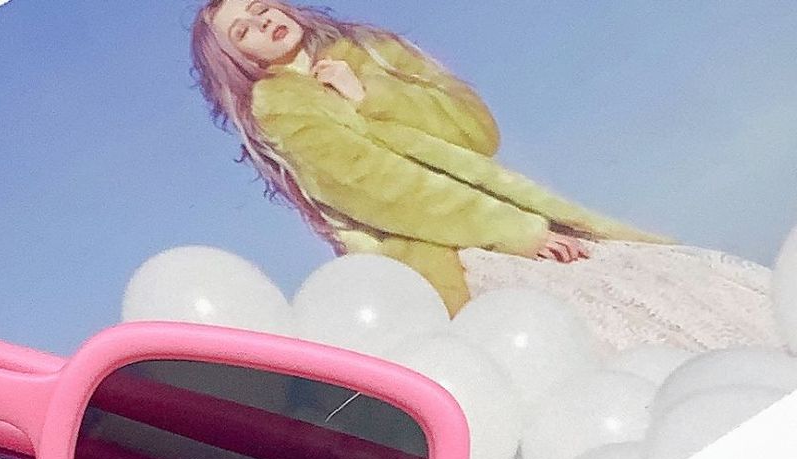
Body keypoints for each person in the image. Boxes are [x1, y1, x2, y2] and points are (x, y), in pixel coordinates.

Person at [188, 1, 777, 348]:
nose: (261, 20)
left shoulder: (372, 50)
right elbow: (375, 189)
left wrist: (370, 96)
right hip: (447, 254)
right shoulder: (279, 105)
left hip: (523, 216)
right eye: (242, 30)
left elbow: (476, 133)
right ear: (241, 59)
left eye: (259, 4)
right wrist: (510, 232)